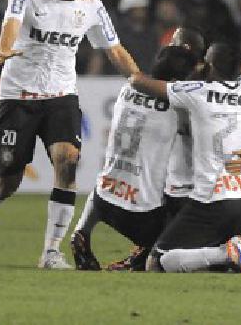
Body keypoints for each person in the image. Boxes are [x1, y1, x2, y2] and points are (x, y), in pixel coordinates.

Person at [0, 0, 141, 269]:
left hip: (60, 97)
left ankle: (51, 252)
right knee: (5, 182)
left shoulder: (91, 4)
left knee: (67, 161)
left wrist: (140, 80)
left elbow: (113, 49)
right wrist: (4, 48)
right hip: (18, 97)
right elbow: (10, 25)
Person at [128, 43, 241, 274]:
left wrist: (196, 70)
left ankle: (225, 253)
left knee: (157, 262)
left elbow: (138, 83)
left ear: (209, 66)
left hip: (212, 200)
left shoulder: (196, 92)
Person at [68, 45, 198, 271]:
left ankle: (82, 232)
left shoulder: (127, 89)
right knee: (185, 242)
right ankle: (141, 256)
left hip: (104, 200)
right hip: (141, 212)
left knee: (109, 178)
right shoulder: (179, 107)